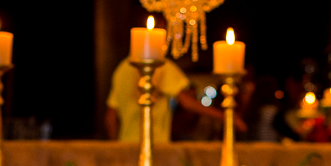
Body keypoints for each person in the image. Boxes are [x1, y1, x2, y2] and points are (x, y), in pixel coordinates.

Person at [104, 57, 243, 143]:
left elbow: (110, 118)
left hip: (126, 145)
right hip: (156, 145)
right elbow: (187, 102)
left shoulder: (122, 68)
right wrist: (227, 116)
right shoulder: (160, 65)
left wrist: (118, 147)